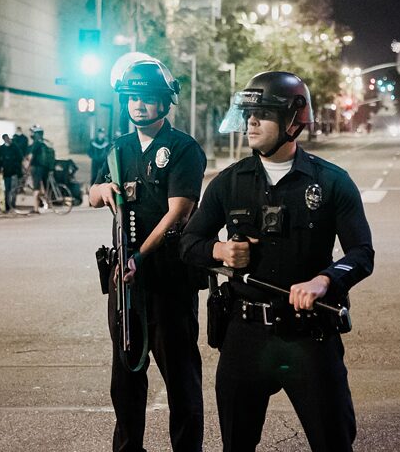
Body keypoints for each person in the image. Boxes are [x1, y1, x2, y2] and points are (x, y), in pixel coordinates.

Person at [180, 71, 374, 452]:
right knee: (237, 443)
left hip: (311, 335)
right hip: (245, 334)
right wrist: (219, 252)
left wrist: (325, 281)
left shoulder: (332, 181)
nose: (251, 122)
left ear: (292, 122)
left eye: (263, 114)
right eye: (248, 113)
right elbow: (188, 244)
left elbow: (362, 254)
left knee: (334, 440)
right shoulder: (228, 182)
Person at [89, 58, 207, 452]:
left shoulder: (182, 148)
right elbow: (91, 192)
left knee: (181, 378)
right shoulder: (118, 149)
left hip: (168, 279)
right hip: (124, 282)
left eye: (147, 98)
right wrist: (101, 191)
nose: (138, 105)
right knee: (125, 378)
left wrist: (139, 255)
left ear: (165, 102)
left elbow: (180, 211)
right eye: (132, 98)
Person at [26, 126, 54, 214]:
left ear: (36, 134)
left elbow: (31, 156)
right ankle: (47, 203)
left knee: (36, 188)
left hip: (36, 167)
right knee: (44, 188)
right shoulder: (44, 143)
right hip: (45, 168)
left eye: (33, 133)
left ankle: (35, 208)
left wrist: (27, 167)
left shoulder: (36, 143)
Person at [0, 133, 24, 212]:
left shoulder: (14, 147)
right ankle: (8, 206)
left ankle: (12, 205)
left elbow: (20, 157)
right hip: (7, 172)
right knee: (8, 190)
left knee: (13, 189)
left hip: (13, 172)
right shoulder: (3, 148)